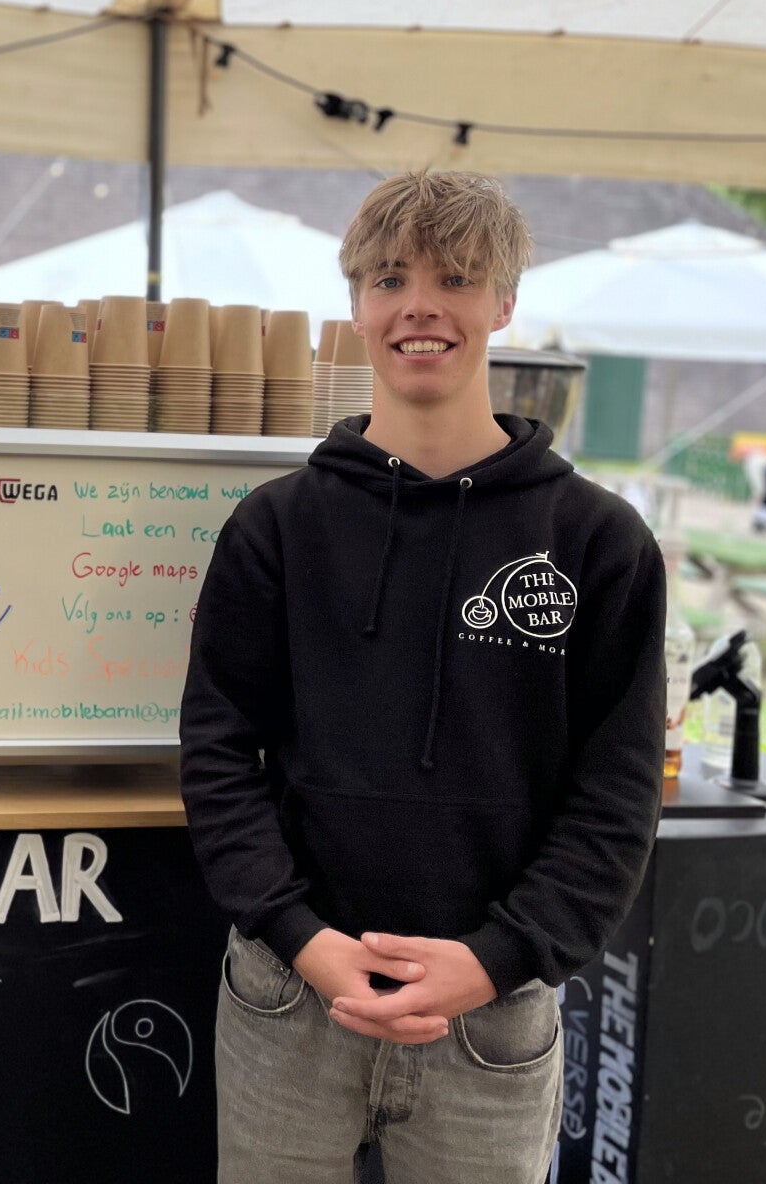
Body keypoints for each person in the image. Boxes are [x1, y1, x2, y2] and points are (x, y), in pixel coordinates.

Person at [179, 172, 665, 1181]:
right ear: (357, 306)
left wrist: (496, 959)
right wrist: (302, 938)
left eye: (457, 278)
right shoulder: (276, 528)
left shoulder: (598, 542)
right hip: (288, 997)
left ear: (504, 303)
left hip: (493, 1018)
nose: (420, 307)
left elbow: (617, 797)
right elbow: (218, 753)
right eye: (391, 279)